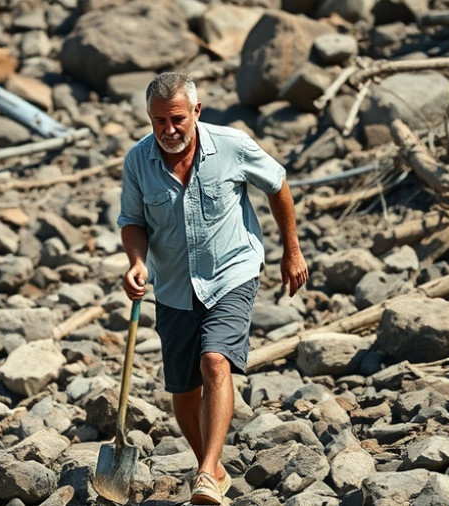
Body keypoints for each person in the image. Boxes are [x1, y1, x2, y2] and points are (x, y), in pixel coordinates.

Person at [117, 72, 308, 505]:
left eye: (177, 119)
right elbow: (132, 221)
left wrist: (291, 251)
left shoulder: (232, 145)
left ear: (197, 112)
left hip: (232, 272)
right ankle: (215, 470)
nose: (168, 130)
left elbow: (277, 183)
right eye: (158, 121)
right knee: (183, 393)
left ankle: (204, 474)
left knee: (215, 361)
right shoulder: (138, 161)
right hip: (173, 286)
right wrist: (136, 262)